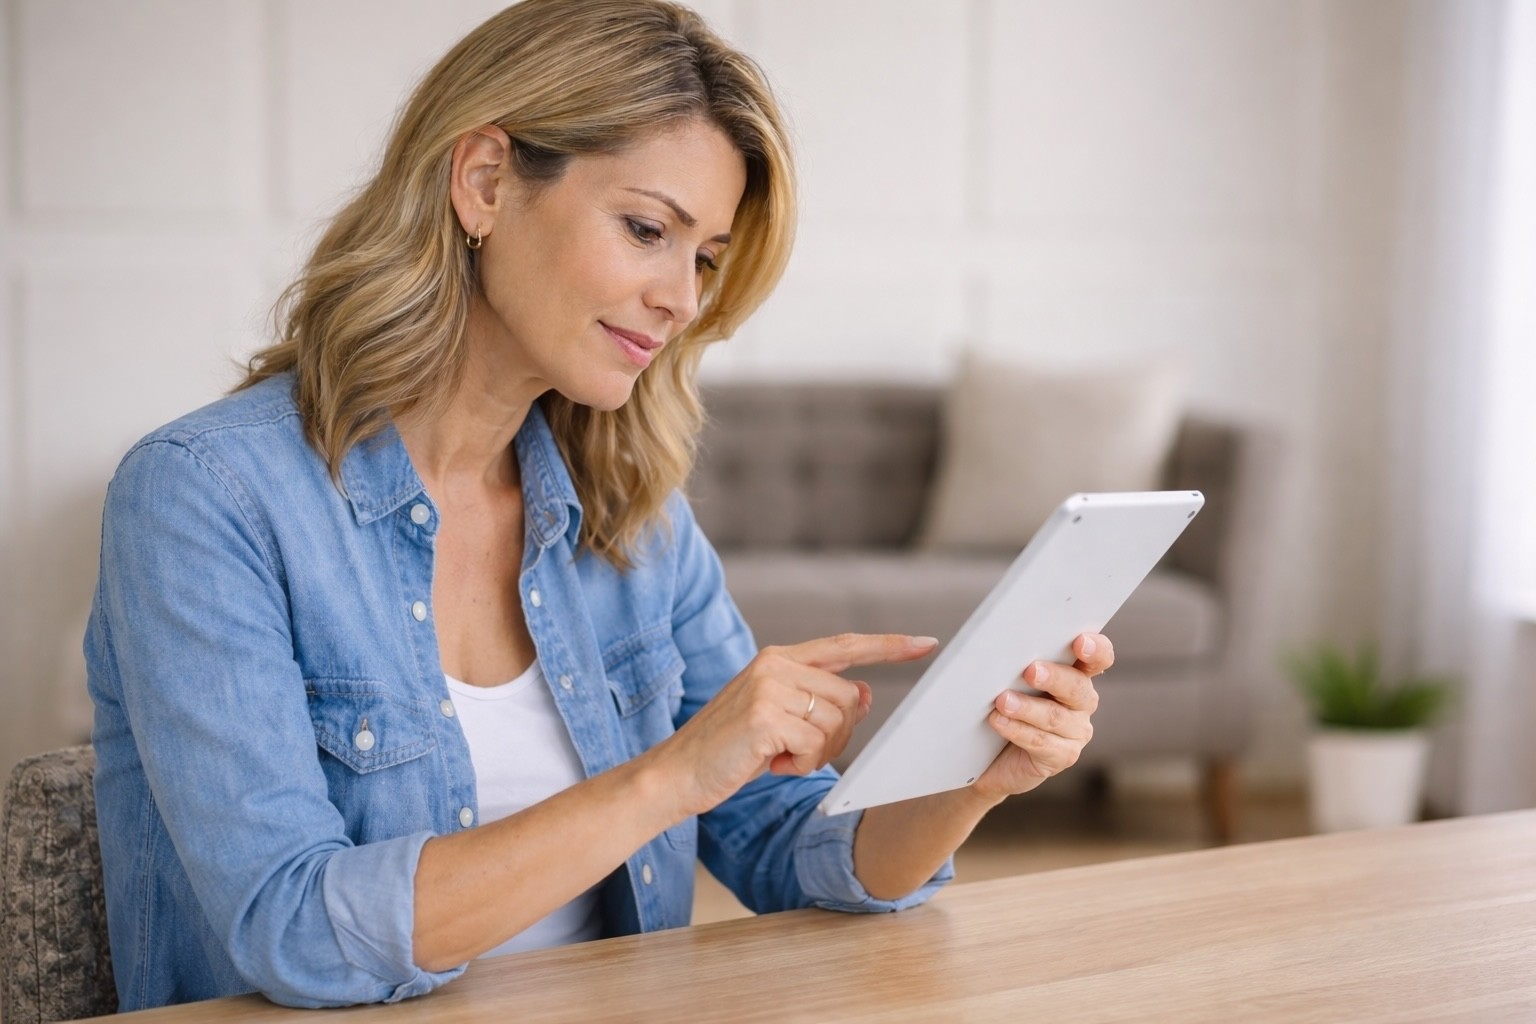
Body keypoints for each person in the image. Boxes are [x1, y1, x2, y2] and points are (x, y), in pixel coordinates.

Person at [86, 0, 1112, 1011]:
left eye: (704, 256)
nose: (683, 297)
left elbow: (778, 844)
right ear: (484, 182)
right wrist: (668, 775)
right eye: (646, 229)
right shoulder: (205, 498)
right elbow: (295, 929)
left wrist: (971, 775)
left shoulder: (634, 517)